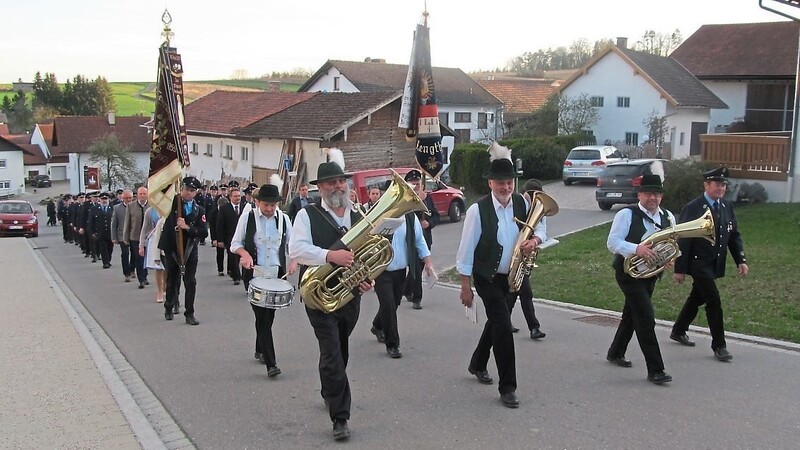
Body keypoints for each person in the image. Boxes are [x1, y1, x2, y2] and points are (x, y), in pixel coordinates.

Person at [288, 150, 373, 441]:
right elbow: (296, 251)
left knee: (342, 348)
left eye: (341, 181)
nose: (337, 186)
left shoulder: (359, 214)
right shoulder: (306, 215)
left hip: (349, 295)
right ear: (319, 188)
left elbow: (366, 256)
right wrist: (329, 255)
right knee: (332, 351)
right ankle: (340, 417)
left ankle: (330, 390)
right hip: (318, 297)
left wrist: (365, 279)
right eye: (330, 183)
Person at [455, 145, 538, 409]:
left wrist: (534, 240)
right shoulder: (477, 211)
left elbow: (541, 227)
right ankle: (508, 387)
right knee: (502, 326)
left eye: (509, 182)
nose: (506, 187)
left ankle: (478, 363)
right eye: (500, 182)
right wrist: (465, 286)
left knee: (495, 322)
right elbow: (466, 250)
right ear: (491, 183)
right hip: (487, 277)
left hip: (514, 275)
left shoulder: (523, 203)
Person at [670, 167, 748, 362]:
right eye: (717, 184)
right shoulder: (694, 207)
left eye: (723, 185)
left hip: (714, 263)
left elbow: (733, 235)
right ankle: (719, 345)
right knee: (713, 301)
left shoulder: (726, 206)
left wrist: (741, 260)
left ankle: (678, 330)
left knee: (697, 297)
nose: (720, 188)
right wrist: (679, 269)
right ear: (706, 185)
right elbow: (683, 238)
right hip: (698, 263)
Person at [606, 174, 674, 385]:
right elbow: (612, 242)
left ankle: (616, 352)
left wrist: (669, 259)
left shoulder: (668, 217)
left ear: (661, 196)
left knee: (631, 313)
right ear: (639, 194)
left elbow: (671, 243)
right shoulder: (627, 214)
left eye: (656, 193)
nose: (652, 198)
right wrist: (637, 249)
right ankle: (656, 369)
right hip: (628, 273)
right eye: (648, 193)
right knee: (645, 317)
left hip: (651, 274)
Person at [231, 182, 297, 377]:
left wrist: (293, 262)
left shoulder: (284, 219)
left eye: (272, 205)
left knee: (269, 316)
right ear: (258, 202)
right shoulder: (248, 218)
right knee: (262, 316)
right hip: (255, 274)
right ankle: (271, 363)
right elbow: (235, 243)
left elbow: (292, 245)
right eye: (266, 205)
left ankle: (260, 348)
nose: (269, 209)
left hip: (277, 275)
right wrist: (244, 255)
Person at [370, 189, 433, 358]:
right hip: (381, 270)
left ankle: (377, 325)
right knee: (389, 305)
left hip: (400, 271)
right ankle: (393, 345)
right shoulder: (378, 215)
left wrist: (428, 262)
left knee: (394, 303)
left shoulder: (410, 218)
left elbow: (420, 240)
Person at [159, 176, 208, 325]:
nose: (188, 193)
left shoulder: (199, 210)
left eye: (192, 191)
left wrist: (188, 227)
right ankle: (169, 306)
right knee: (172, 280)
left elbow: (203, 232)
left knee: (190, 282)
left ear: (196, 192)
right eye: (186, 189)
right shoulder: (173, 204)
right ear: (182, 189)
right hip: (172, 248)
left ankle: (189, 313)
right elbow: (161, 196)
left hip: (189, 250)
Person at [509, 178, 547, 340]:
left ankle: (507, 322)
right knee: (522, 291)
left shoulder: (539, 208)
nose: (531, 199)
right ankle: (533, 327)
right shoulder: (514, 205)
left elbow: (542, 231)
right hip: (510, 254)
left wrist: (534, 241)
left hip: (524, 255)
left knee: (516, 291)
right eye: (529, 195)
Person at [402, 169, 439, 310]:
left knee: (419, 267)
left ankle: (405, 289)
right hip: (411, 240)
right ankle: (417, 298)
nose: (416, 185)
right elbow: (408, 216)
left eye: (417, 182)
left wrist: (429, 223)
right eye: (413, 183)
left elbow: (435, 215)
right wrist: (419, 202)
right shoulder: (405, 199)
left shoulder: (427, 197)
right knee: (416, 269)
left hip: (425, 239)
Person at [217, 187, 245, 285]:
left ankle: (241, 275)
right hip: (230, 237)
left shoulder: (245, 207)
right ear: (230, 197)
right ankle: (236, 276)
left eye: (239, 196)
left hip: (243, 237)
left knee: (242, 257)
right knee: (233, 256)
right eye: (235, 196)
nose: (238, 198)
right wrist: (219, 239)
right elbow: (220, 225)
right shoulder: (225, 209)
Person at [123, 187, 149, 288]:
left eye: (144, 194)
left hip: (148, 237)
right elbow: (127, 223)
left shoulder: (151, 206)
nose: (142, 196)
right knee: (139, 258)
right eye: (140, 194)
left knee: (146, 258)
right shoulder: (131, 206)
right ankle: (141, 279)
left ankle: (145, 276)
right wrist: (125, 237)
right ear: (137, 195)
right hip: (135, 237)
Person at [140, 205, 166, 303]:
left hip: (166, 238)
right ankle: (159, 291)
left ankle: (165, 287)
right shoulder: (150, 211)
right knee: (158, 267)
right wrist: (141, 245)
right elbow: (144, 228)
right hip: (154, 239)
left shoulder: (169, 208)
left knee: (167, 267)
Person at [111, 189, 133, 281]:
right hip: (122, 235)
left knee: (135, 254)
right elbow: (113, 223)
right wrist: (114, 237)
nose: (128, 200)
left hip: (134, 234)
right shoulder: (117, 208)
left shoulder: (135, 206)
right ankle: (126, 273)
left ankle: (132, 269)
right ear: (122, 198)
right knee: (125, 253)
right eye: (126, 198)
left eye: (130, 198)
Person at [88, 192, 115, 269]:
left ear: (108, 200)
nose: (104, 201)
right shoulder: (94, 209)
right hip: (100, 233)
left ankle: (108, 260)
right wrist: (92, 232)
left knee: (110, 248)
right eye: (102, 199)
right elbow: (91, 221)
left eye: (106, 199)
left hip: (110, 233)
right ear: (99, 200)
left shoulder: (112, 208)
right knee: (103, 248)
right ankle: (105, 262)